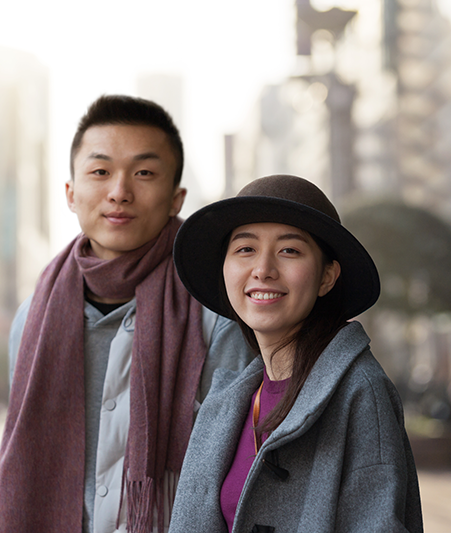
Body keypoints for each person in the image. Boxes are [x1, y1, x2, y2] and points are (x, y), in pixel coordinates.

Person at [0, 95, 252, 533]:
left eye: (144, 173)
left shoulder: (216, 312)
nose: (119, 191)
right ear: (71, 194)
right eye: (100, 171)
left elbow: (239, 470)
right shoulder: (31, 318)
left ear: (176, 198)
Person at [169, 174, 423, 532]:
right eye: (245, 249)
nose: (263, 270)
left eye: (289, 250)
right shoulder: (226, 402)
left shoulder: (362, 392)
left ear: (326, 277)